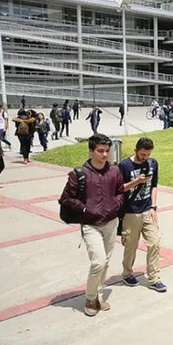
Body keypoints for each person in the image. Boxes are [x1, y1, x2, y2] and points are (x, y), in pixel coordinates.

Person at [58, 134, 125, 317]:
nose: (105, 154)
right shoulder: (79, 174)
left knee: (106, 262)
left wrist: (115, 205)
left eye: (107, 151)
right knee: (98, 262)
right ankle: (90, 298)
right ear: (91, 151)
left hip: (111, 222)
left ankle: (98, 295)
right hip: (90, 224)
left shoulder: (114, 171)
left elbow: (120, 192)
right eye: (100, 151)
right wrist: (86, 209)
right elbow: (66, 198)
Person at [118, 138, 167, 293]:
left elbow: (154, 186)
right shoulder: (124, 165)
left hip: (147, 210)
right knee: (131, 246)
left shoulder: (153, 163)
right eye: (142, 154)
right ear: (135, 150)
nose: (145, 157)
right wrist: (137, 181)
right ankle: (127, 273)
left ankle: (154, 278)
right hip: (130, 212)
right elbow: (119, 188)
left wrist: (153, 206)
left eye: (148, 154)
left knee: (154, 243)